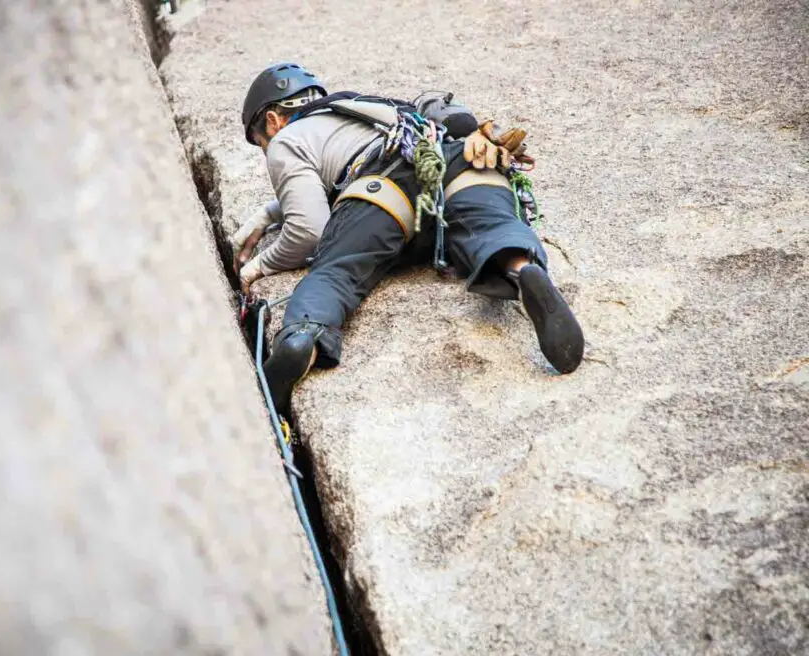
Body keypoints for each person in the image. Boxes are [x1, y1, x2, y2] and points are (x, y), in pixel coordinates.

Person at [233, 63, 584, 415]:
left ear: (274, 120)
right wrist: (267, 214)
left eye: (262, 143)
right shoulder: (367, 109)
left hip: (383, 189)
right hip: (459, 163)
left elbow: (309, 231)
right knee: (490, 227)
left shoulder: (287, 141)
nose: (268, 152)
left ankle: (303, 336)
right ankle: (520, 268)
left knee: (336, 274)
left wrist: (258, 267)